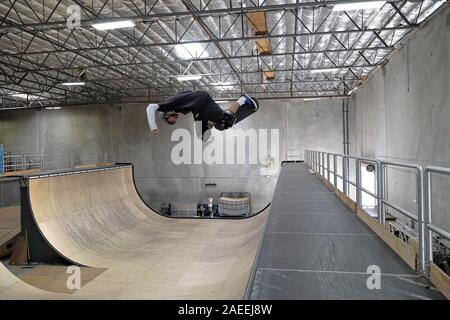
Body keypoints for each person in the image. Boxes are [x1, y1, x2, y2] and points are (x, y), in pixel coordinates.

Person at [146, 91, 258, 140]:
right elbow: (186, 92)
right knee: (203, 136)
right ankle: (213, 122)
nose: (175, 119)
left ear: (166, 114)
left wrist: (153, 127)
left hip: (202, 103)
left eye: (171, 120)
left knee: (225, 122)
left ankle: (243, 99)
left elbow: (150, 107)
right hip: (198, 110)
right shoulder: (175, 103)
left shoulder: (167, 105)